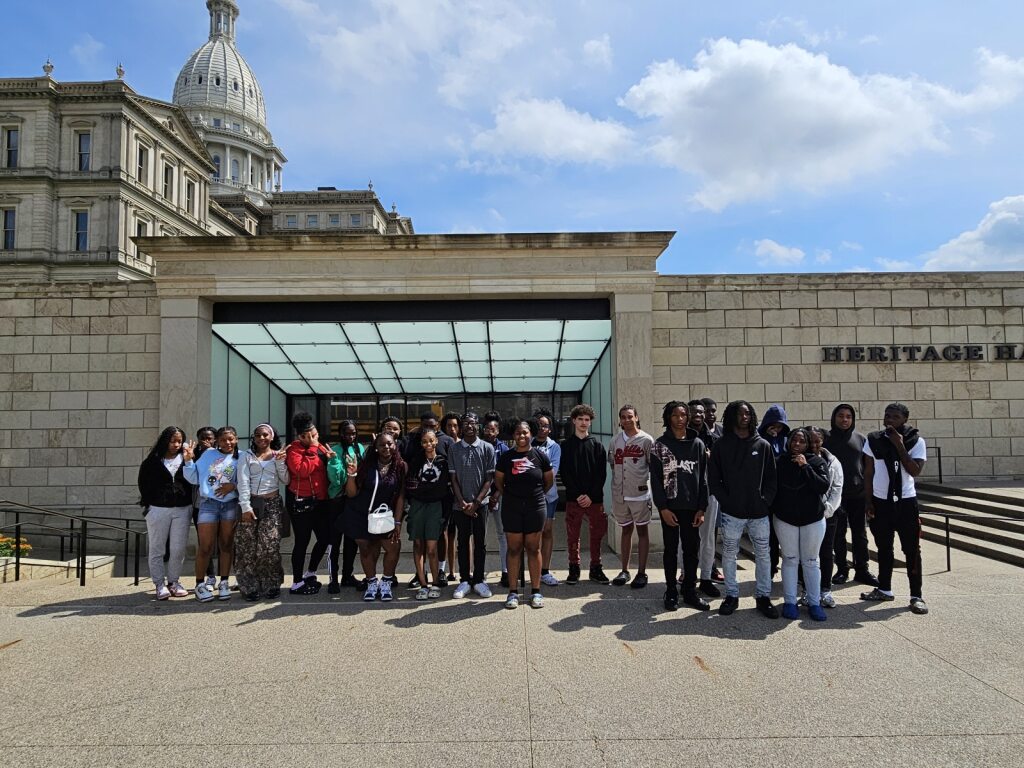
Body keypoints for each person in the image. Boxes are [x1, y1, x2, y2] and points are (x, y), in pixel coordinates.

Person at [708, 401, 779, 618]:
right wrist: (726, 501)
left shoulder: (763, 445)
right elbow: (714, 478)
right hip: (732, 512)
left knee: (764, 555)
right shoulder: (721, 445)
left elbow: (771, 479)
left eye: (747, 413)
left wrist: (765, 501)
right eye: (739, 413)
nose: (744, 416)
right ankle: (731, 595)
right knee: (729, 554)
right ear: (731, 416)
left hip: (759, 513)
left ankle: (763, 596)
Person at [860, 403, 929, 615]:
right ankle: (884, 588)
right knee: (883, 547)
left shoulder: (916, 441)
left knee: (911, 550)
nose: (890, 420)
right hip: (881, 502)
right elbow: (869, 472)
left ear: (905, 419)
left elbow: (915, 470)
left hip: (906, 502)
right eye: (887, 415)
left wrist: (899, 445)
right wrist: (868, 501)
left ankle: (916, 595)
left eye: (895, 417)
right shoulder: (873, 440)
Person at [651, 402, 709, 612]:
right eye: (675, 415)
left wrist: (702, 508)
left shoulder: (698, 444)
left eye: (683, 414)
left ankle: (689, 591)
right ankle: (671, 591)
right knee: (670, 551)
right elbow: (656, 481)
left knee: (692, 551)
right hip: (670, 508)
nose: (680, 418)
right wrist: (663, 508)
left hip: (693, 508)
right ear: (668, 418)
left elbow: (703, 479)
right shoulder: (659, 445)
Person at [772, 428, 831, 621]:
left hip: (812, 520)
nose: (797, 444)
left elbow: (822, 486)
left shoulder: (817, 462)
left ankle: (814, 603)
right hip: (785, 519)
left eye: (801, 442)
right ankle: (790, 601)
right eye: (794, 441)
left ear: (808, 445)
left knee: (811, 561)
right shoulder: (780, 461)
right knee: (789, 559)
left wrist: (805, 467)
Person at [494, 419, 553, 609]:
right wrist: (513, 497)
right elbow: (499, 483)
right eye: (518, 433)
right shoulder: (505, 457)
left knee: (533, 548)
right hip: (512, 507)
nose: (522, 436)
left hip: (535, 506)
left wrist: (534, 496)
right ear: (513, 435)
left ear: (531, 434)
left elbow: (548, 482)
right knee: (514, 549)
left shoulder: (540, 456)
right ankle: (513, 592)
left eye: (525, 432)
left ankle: (535, 591)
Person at [344, 432, 407, 602]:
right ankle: (372, 583)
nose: (386, 447)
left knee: (393, 546)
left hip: (384, 516)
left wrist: (398, 521)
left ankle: (386, 581)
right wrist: (351, 475)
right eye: (382, 445)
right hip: (361, 514)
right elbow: (351, 494)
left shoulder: (401, 466)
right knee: (366, 549)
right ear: (376, 448)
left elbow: (401, 496)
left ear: (395, 445)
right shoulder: (366, 465)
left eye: (389, 444)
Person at [183, 425, 240, 602]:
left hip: (230, 504)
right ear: (217, 441)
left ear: (236, 439)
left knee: (226, 545)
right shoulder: (208, 455)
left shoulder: (242, 457)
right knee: (205, 546)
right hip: (208, 504)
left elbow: (248, 480)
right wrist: (188, 461)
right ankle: (200, 584)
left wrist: (234, 486)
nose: (227, 443)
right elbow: (193, 478)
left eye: (230, 439)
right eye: (223, 440)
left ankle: (224, 582)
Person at [824, 404, 879, 587]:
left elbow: (868, 467)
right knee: (838, 534)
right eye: (841, 416)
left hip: (858, 494)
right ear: (834, 417)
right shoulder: (826, 439)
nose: (845, 420)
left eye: (848, 416)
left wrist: (870, 496)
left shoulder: (860, 439)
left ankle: (862, 569)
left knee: (860, 533)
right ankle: (842, 569)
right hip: (836, 495)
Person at [138, 426, 194, 600]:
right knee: (157, 548)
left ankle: (174, 582)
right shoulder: (153, 461)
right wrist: (149, 506)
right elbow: (143, 483)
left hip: (182, 509)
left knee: (177, 549)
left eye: (179, 441)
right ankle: (159, 584)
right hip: (158, 509)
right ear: (165, 441)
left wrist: (189, 460)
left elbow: (193, 481)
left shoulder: (186, 459)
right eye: (172, 441)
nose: (176, 444)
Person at [235, 423, 288, 600]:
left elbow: (286, 480)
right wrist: (245, 506)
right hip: (250, 502)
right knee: (247, 547)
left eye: (265, 435)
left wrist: (280, 463)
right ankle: (249, 586)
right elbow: (242, 481)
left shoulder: (277, 455)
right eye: (258, 435)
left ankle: (271, 583)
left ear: (272, 437)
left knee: (269, 546)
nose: (261, 438)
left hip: (272, 503)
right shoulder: (246, 456)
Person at [285, 411, 333, 596]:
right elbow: (301, 470)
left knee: (325, 539)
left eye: (314, 434)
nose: (313, 438)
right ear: (300, 436)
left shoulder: (321, 448)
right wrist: (313, 449)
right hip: (301, 503)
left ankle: (310, 572)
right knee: (302, 542)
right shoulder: (293, 450)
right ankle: (296, 582)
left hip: (320, 502)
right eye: (308, 436)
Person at [560, 404, 609, 585]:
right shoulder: (565, 446)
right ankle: (574, 568)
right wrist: (578, 494)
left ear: (590, 422)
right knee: (573, 535)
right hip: (574, 499)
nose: (583, 422)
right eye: (580, 419)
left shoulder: (597, 446)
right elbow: (565, 474)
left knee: (596, 535)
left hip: (594, 499)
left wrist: (590, 495)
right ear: (574, 420)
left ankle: (596, 568)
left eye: (586, 420)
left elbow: (601, 474)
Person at [450, 412, 496, 598]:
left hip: (481, 504)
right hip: (459, 505)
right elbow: (452, 478)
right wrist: (462, 502)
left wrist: (476, 503)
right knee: (462, 542)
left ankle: (478, 580)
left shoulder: (487, 448)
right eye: (466, 423)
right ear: (461, 426)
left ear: (478, 426)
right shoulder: (454, 448)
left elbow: (489, 479)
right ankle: (464, 580)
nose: (470, 426)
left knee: (480, 543)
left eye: (473, 423)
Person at [607, 404, 654, 588]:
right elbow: (613, 465)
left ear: (636, 417)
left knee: (642, 531)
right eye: (623, 417)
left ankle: (641, 573)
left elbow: (652, 466)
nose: (627, 420)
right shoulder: (615, 441)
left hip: (640, 494)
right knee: (626, 530)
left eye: (630, 416)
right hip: (620, 494)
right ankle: (624, 570)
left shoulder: (646, 440)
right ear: (620, 420)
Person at [405, 429, 448, 599]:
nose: (428, 444)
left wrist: (424, 489)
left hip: (435, 506)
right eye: (424, 442)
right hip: (417, 506)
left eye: (431, 441)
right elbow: (411, 484)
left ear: (436, 441)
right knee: (418, 545)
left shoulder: (443, 461)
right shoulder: (416, 461)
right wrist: (424, 490)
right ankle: (423, 584)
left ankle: (435, 583)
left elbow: (442, 486)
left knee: (431, 548)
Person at [803, 426, 843, 609]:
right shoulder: (800, 460)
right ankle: (806, 589)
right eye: (809, 441)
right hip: (805, 514)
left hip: (827, 514)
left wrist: (826, 510)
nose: (813, 444)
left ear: (822, 441)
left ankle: (825, 590)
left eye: (816, 440)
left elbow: (837, 488)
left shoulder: (833, 461)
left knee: (826, 552)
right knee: (805, 553)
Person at [325, 419, 366, 592]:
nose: (350, 436)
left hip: (354, 501)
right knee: (334, 542)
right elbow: (336, 479)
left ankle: (347, 575)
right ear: (340, 433)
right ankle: (333, 579)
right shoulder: (334, 450)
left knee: (351, 541)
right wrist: (335, 463)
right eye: (347, 433)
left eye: (353, 433)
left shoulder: (360, 448)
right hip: (337, 501)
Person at [689, 398, 723, 595]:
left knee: (708, 536)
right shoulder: (682, 437)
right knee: (685, 538)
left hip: (709, 492)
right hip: (686, 495)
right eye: (695, 412)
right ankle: (686, 574)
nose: (699, 416)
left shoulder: (712, 437)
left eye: (702, 413)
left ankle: (706, 576)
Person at [759, 404, 790, 579]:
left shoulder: (786, 440)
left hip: (784, 493)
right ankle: (770, 567)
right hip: (767, 493)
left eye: (780, 426)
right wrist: (767, 437)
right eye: (773, 425)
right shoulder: (760, 438)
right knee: (768, 535)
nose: (776, 430)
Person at [531, 408, 562, 587]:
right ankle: (534, 569)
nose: (542, 428)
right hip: (530, 497)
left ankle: (545, 571)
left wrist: (537, 483)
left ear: (550, 429)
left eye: (545, 426)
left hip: (549, 495)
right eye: (539, 425)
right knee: (533, 534)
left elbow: (553, 471)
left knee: (547, 531)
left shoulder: (555, 447)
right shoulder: (526, 443)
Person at [482, 414, 510, 587]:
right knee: (480, 536)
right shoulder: (479, 447)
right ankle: (479, 573)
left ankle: (506, 571)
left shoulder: (504, 449)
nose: (490, 432)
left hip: (499, 496)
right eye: (487, 429)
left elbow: (506, 475)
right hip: (482, 498)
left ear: (498, 431)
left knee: (503, 535)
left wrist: (497, 495)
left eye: (493, 429)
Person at [440, 410, 462, 582]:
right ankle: (449, 570)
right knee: (447, 532)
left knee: (463, 535)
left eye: (455, 425)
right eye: (449, 426)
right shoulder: (441, 445)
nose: (452, 429)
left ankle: (464, 570)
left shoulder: (463, 445)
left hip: (462, 495)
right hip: (446, 495)